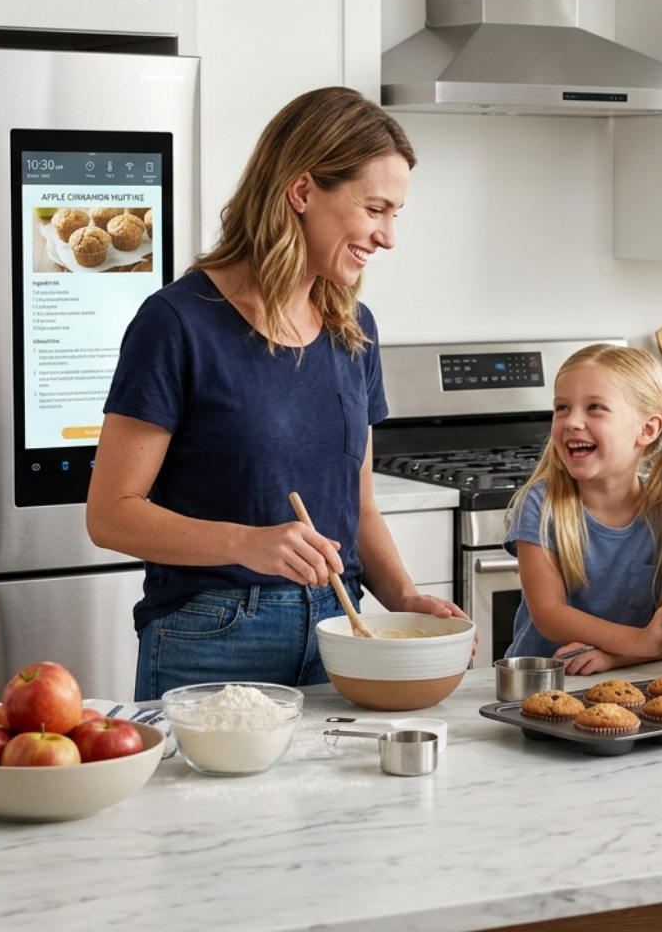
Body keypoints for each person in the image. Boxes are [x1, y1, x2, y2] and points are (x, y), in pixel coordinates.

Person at [86, 86, 465, 700]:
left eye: (396, 214)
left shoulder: (355, 331)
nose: (388, 236)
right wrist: (248, 543)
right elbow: (109, 513)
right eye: (375, 209)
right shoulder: (177, 323)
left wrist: (404, 599)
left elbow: (359, 508)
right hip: (211, 636)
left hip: (341, 633)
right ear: (302, 191)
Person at [503, 343, 662, 676]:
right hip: (546, 685)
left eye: (595, 407)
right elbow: (549, 614)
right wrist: (638, 641)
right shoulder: (541, 503)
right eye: (562, 408)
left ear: (647, 429)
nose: (572, 422)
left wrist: (615, 657)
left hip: (634, 679)